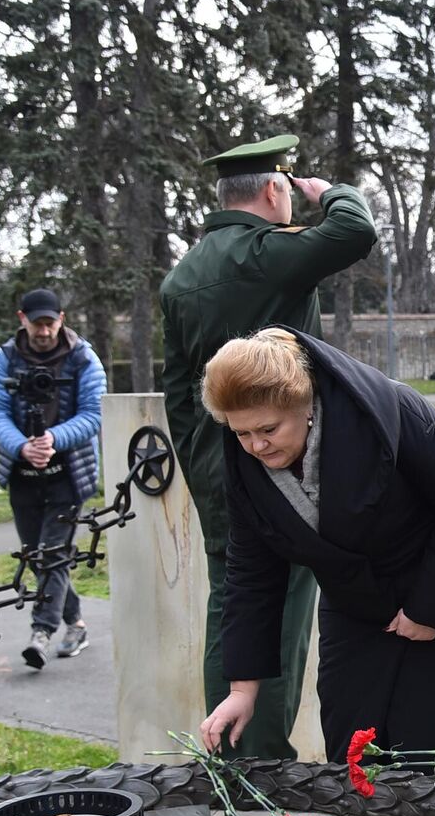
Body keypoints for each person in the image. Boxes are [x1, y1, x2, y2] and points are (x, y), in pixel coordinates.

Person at [194, 327, 435, 765]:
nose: (256, 446)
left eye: (267, 429)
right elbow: (251, 572)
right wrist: (242, 691)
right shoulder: (245, 460)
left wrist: (429, 609)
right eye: (241, 433)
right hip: (356, 593)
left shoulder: (390, 409)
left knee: (430, 745)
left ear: (304, 403)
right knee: (352, 740)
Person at [160, 134, 378, 759]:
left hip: (215, 457)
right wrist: (329, 192)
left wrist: (202, 461)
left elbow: (179, 391)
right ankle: (262, 761)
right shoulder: (267, 252)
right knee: (280, 604)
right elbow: (354, 231)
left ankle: (230, 752)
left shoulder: (183, 276)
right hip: (283, 453)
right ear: (273, 190)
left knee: (231, 597)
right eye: (287, 189)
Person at [0, 287, 107, 670]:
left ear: (61, 319)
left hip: (69, 472)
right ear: (22, 319)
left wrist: (53, 439)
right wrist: (23, 447)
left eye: (50, 323)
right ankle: (77, 623)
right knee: (38, 556)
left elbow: (93, 413)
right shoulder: (4, 359)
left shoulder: (84, 358)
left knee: (53, 554)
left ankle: (42, 631)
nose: (44, 331)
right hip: (23, 473)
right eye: (37, 323)